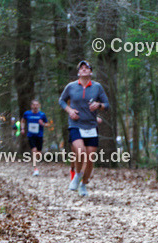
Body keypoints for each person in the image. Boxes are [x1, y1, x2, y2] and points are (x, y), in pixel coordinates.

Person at [58, 60, 110, 197]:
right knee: (80, 152)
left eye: (86, 68)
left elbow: (107, 104)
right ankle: (77, 176)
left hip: (91, 125)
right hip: (75, 124)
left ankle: (83, 184)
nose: (84, 69)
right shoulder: (71, 86)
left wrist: (98, 105)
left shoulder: (97, 87)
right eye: (81, 68)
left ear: (91, 72)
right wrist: (69, 110)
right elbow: (61, 101)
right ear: (78, 72)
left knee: (90, 158)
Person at [22, 100, 49, 176]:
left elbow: (47, 124)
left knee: (38, 154)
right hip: (31, 135)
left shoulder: (42, 115)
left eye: (37, 105)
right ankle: (35, 169)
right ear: (31, 106)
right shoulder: (27, 113)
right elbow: (23, 120)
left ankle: (36, 163)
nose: (35, 106)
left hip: (39, 135)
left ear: (39, 106)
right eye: (34, 105)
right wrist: (22, 128)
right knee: (34, 150)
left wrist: (43, 123)